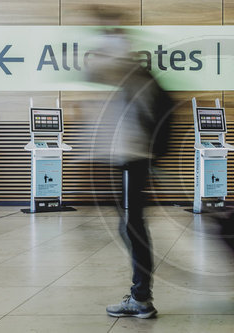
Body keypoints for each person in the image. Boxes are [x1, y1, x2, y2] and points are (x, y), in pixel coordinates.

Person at [84, 6, 173, 319]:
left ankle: (141, 297)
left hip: (132, 157)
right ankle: (140, 294)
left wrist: (106, 32)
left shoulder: (127, 65)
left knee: (133, 226)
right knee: (131, 224)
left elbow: (92, 70)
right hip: (132, 157)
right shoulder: (132, 68)